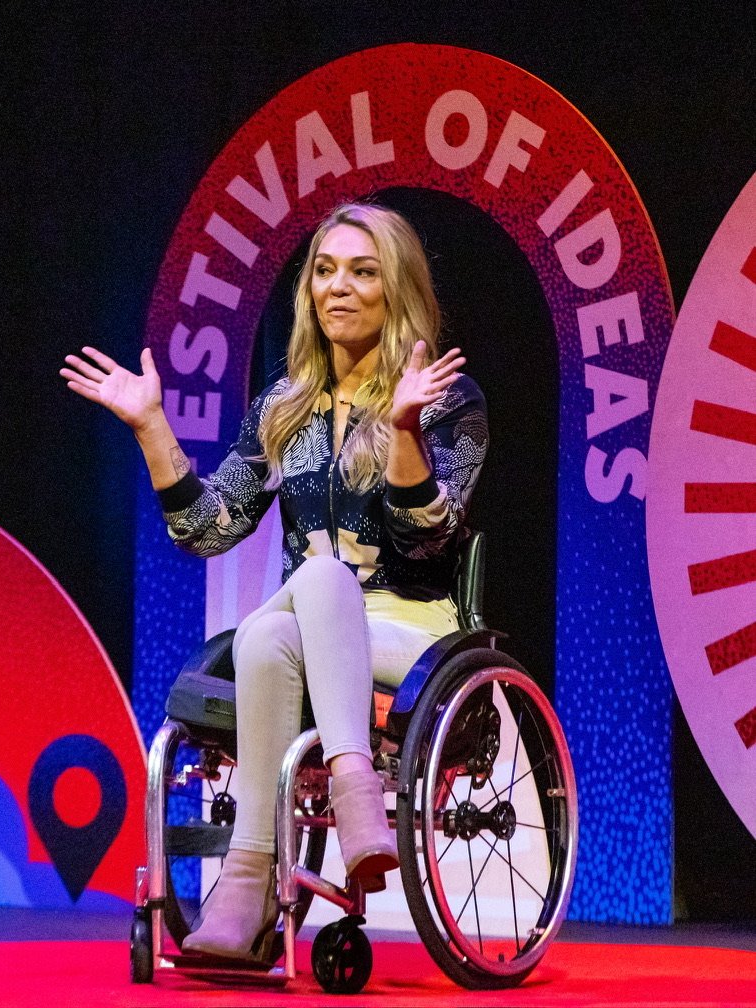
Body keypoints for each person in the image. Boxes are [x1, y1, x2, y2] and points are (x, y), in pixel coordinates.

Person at [61, 202, 488, 964]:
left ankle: (250, 883)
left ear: (397, 289)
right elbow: (209, 528)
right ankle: (285, 855)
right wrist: (151, 429)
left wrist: (401, 433)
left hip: (414, 639)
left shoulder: (447, 399)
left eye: (362, 272)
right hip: (305, 631)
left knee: (294, 601)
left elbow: (427, 543)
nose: (338, 288)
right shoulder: (282, 407)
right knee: (278, 621)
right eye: (324, 271)